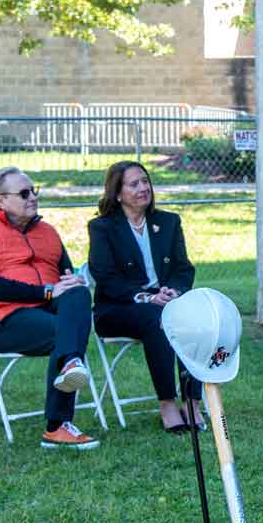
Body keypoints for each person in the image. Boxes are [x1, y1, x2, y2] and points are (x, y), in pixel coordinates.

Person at [0, 166, 99, 449]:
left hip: (52, 310)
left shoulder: (47, 231)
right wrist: (45, 292)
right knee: (66, 331)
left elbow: (66, 274)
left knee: (78, 292)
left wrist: (73, 280)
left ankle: (69, 368)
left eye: (34, 191)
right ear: (0, 200)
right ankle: (57, 424)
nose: (32, 198)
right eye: (24, 193)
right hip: (5, 319)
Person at [88, 161, 205, 433]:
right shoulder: (102, 228)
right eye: (134, 184)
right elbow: (105, 276)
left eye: (145, 181)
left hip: (164, 300)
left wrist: (173, 290)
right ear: (117, 193)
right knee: (158, 318)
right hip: (118, 307)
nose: (143, 188)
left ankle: (192, 401)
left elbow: (182, 268)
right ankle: (167, 403)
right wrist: (144, 297)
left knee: (195, 317)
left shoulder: (168, 222)